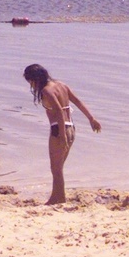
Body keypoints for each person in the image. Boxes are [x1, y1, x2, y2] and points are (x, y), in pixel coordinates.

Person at [23, 63, 101, 205]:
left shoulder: (47, 91)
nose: (31, 85)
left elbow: (58, 111)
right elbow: (77, 101)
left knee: (56, 169)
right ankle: (56, 197)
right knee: (58, 168)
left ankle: (59, 199)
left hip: (59, 129)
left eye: (30, 81)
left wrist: (62, 137)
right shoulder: (61, 85)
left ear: (35, 79)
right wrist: (91, 118)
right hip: (71, 128)